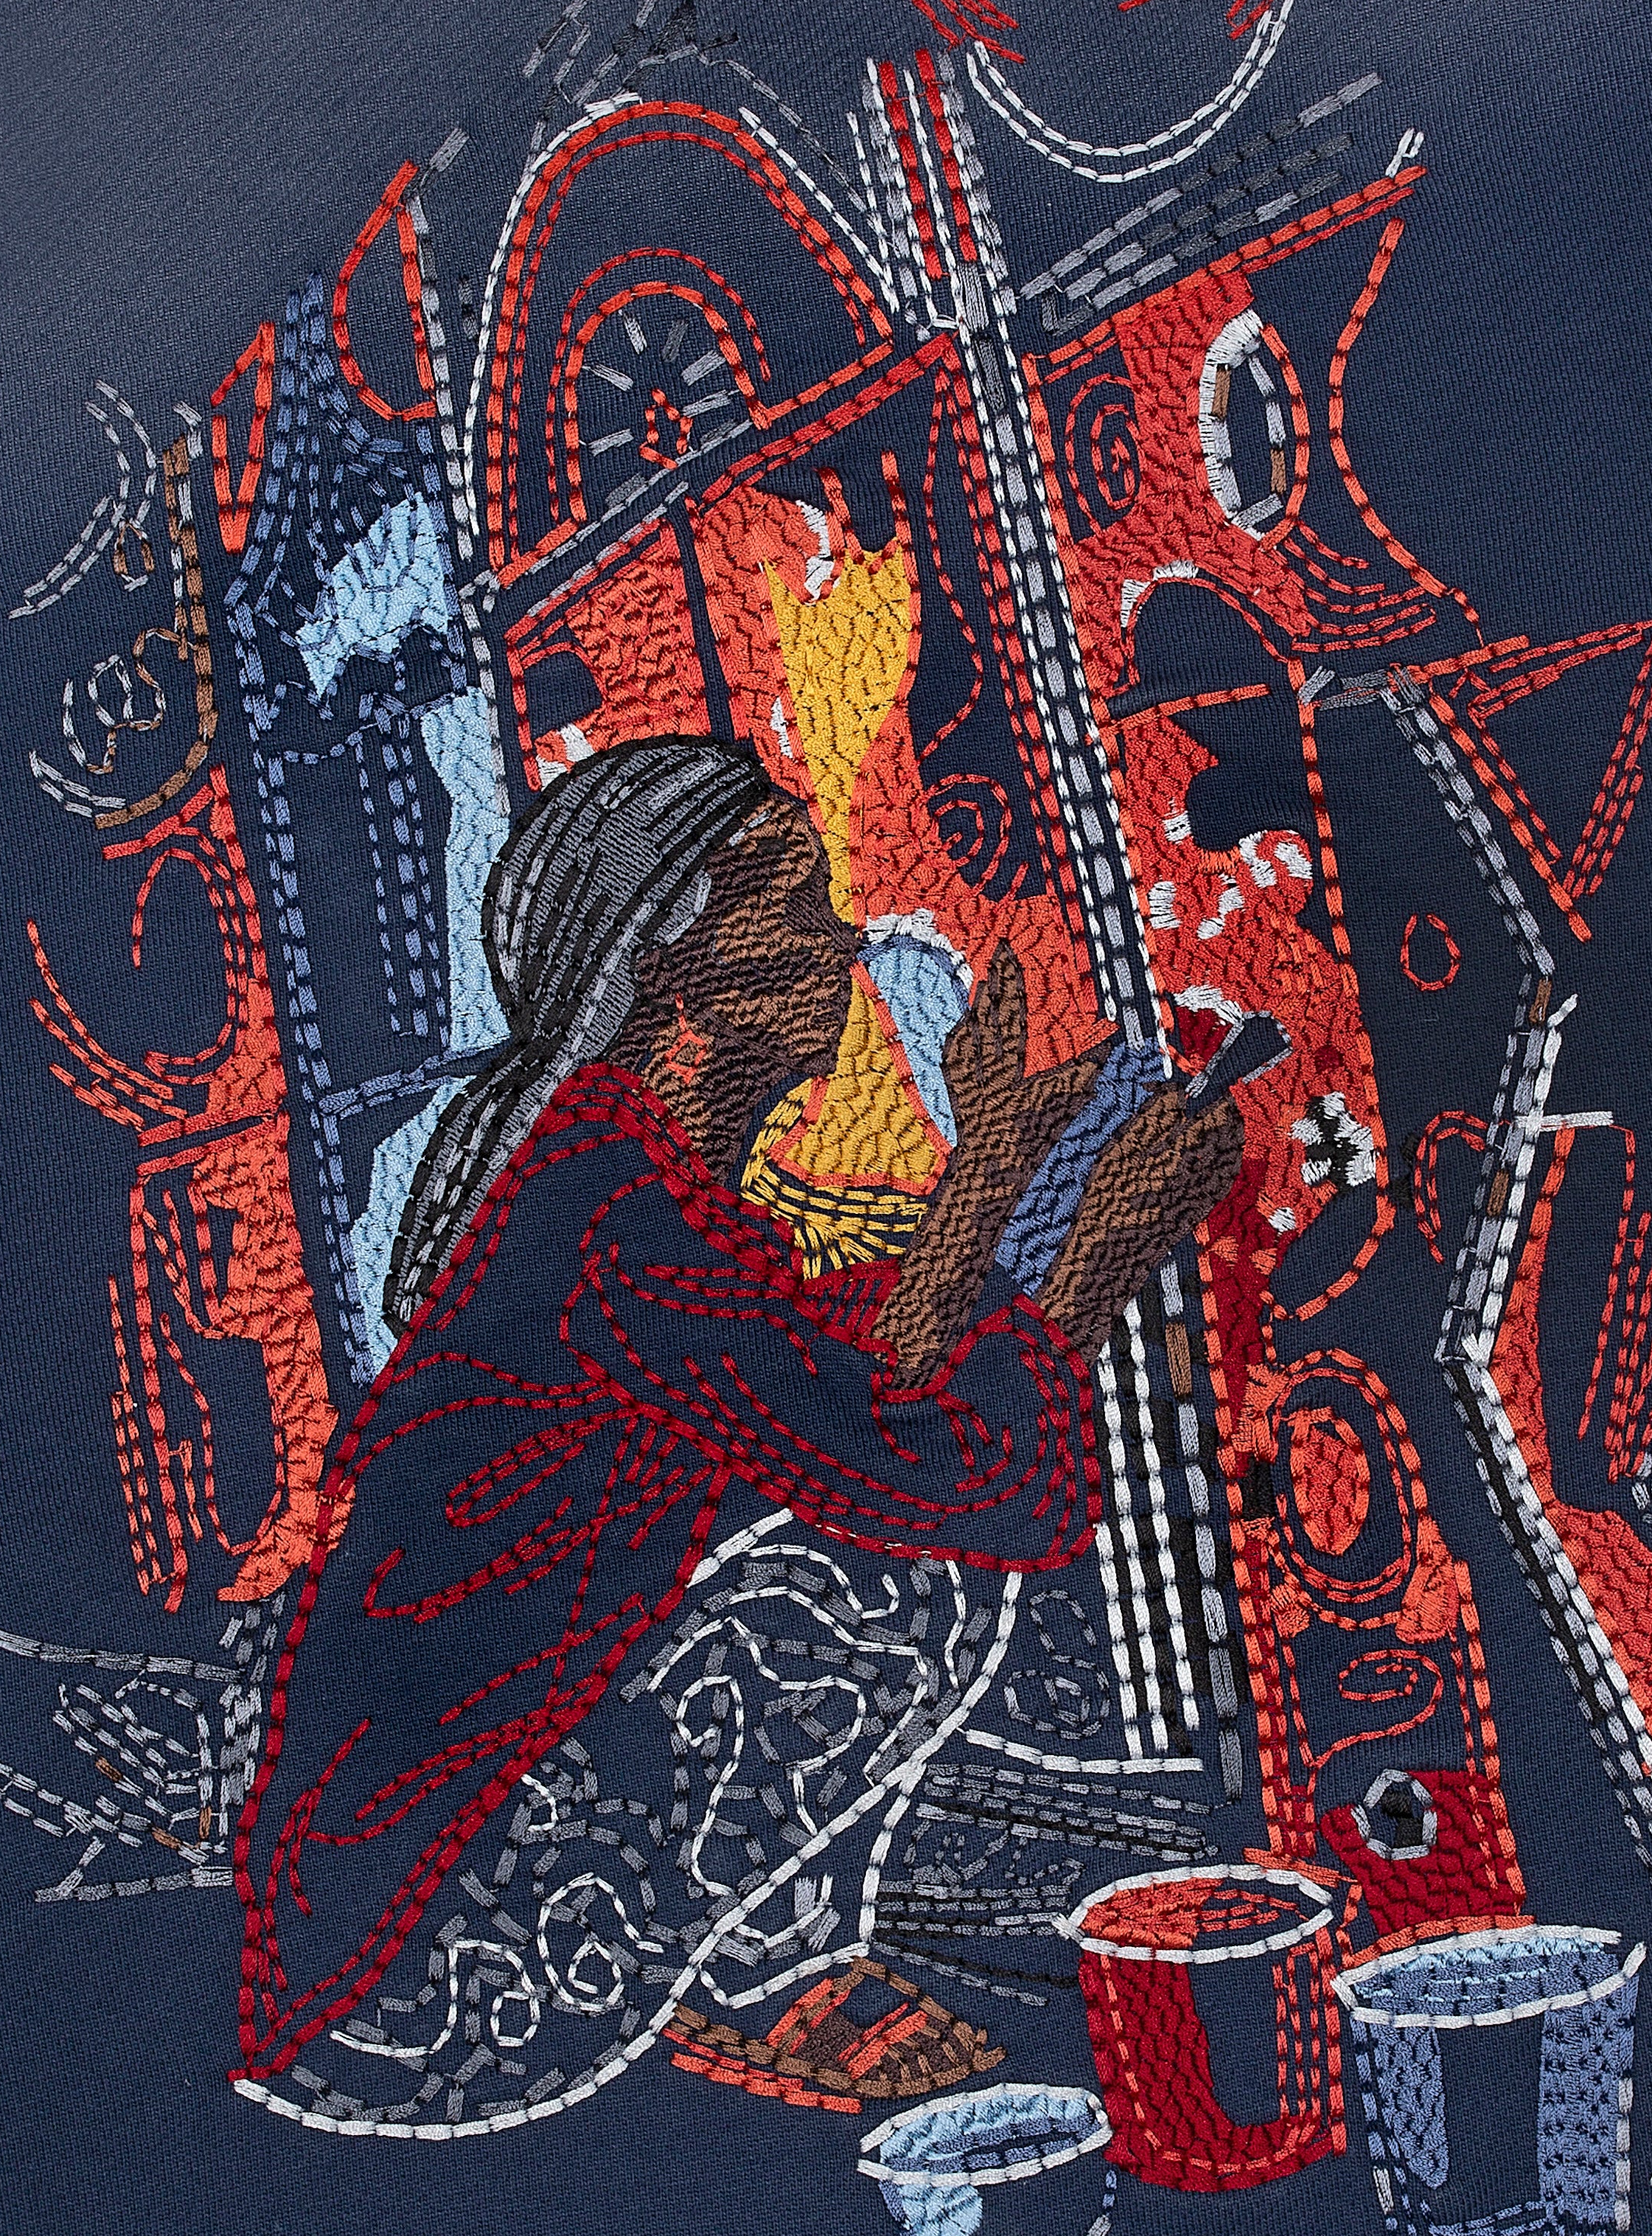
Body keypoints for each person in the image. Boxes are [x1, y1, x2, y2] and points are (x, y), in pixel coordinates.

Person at [233, 734, 1242, 2094]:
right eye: (795, 899)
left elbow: (845, 1370)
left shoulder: (620, 1183)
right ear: (670, 957)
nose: (844, 937)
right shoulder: (616, 1222)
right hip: (416, 1976)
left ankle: (754, 1952)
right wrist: (1093, 1244)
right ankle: (770, 1968)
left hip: (400, 1895)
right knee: (905, 1574)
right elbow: (931, 1470)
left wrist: (1002, 1180)